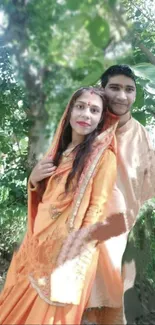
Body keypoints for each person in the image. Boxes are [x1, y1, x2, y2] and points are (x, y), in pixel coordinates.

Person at [0, 87, 119, 325]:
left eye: (94, 110)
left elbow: (97, 207)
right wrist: (33, 180)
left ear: (101, 119)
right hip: (37, 245)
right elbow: (45, 198)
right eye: (81, 106)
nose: (86, 114)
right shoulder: (59, 152)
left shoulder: (104, 158)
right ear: (69, 111)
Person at [83, 65, 155, 324]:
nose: (122, 96)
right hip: (73, 233)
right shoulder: (84, 126)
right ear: (101, 90)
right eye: (114, 88)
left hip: (115, 238)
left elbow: (146, 189)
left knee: (109, 308)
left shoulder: (143, 138)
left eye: (129, 90)